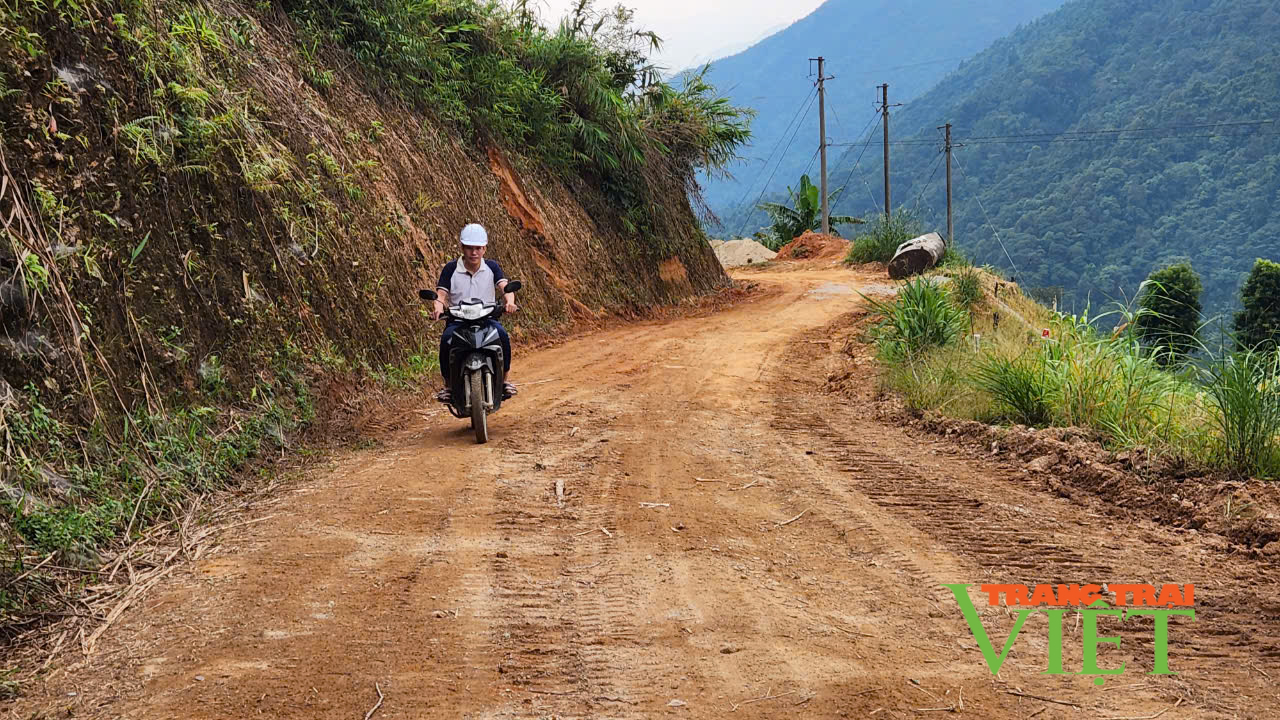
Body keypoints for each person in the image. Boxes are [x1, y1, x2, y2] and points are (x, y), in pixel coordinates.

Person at [432, 223, 518, 401]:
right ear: (462, 248)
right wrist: (438, 308)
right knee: (446, 342)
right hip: (458, 321)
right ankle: (448, 386)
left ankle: (504, 382)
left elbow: (505, 287)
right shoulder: (451, 269)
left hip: (487, 319)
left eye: (478, 248)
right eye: (470, 248)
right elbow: (441, 295)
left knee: (502, 336)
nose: (474, 252)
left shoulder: (492, 267)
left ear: (484, 248)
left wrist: (509, 302)